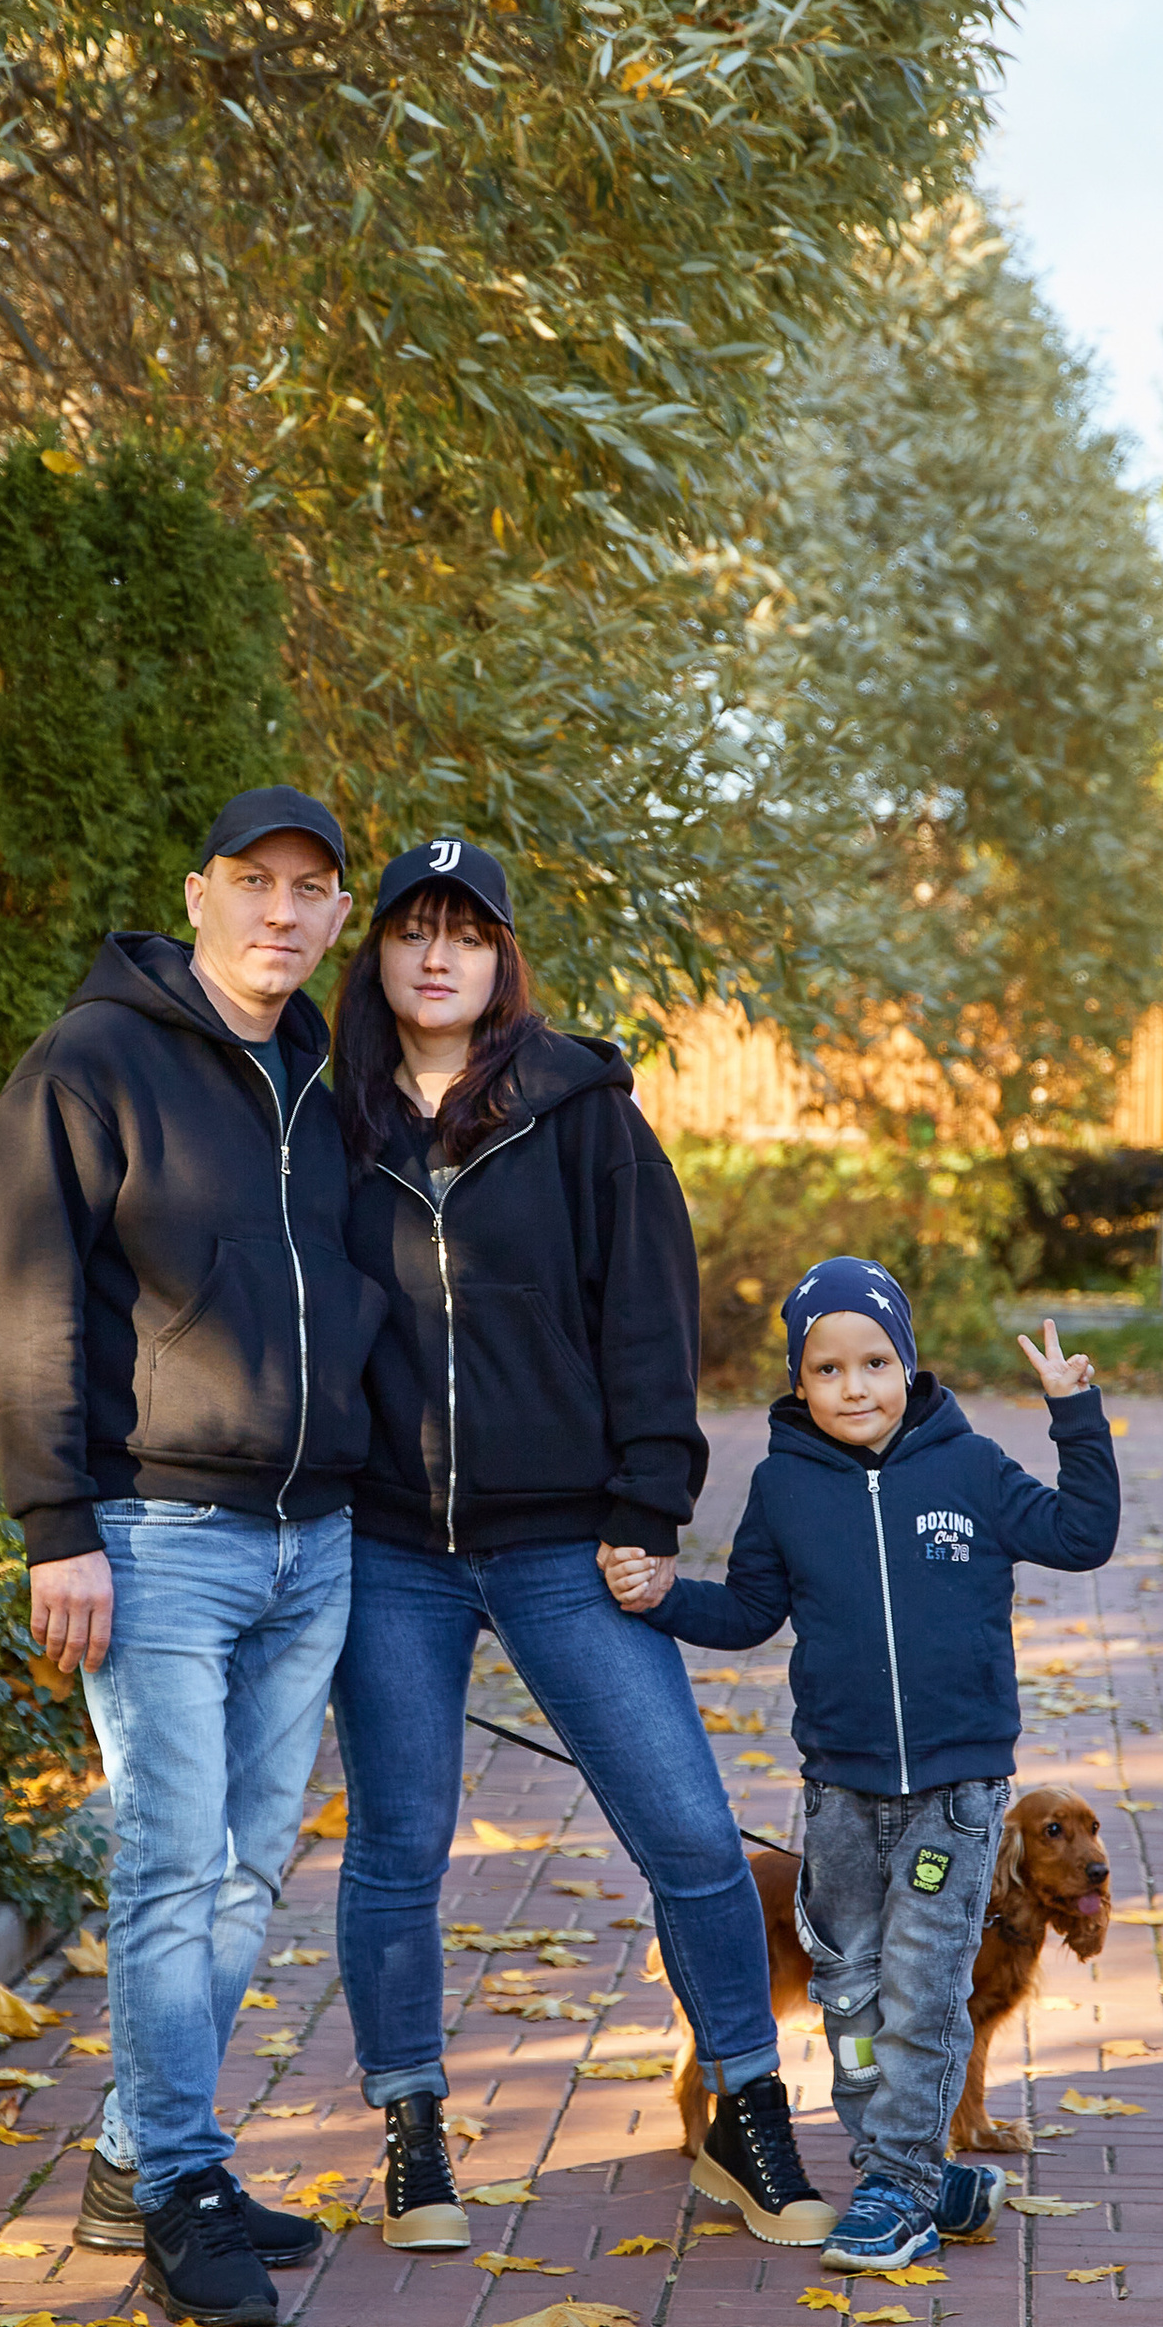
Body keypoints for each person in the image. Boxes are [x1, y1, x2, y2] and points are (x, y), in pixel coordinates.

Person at [327, 840, 835, 2252]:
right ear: (376, 955)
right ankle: (413, 2134)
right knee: (397, 1848)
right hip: (387, 1551)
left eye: (468, 936)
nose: (439, 958)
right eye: (413, 933)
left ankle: (747, 2112)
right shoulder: (329, 1117)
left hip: (566, 1543)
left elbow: (649, 1315)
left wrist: (644, 1508)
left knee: (685, 1828)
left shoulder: (583, 1109)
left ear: (503, 961)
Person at [0, 784, 386, 2327]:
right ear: (200, 893)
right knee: (169, 1866)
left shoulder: (317, 1081)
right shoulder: (92, 1061)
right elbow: (25, 1300)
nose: (283, 914)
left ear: (337, 917)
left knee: (243, 1874)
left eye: (311, 893)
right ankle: (177, 2191)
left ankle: (140, 2154)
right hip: (153, 1537)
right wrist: (55, 1527)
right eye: (255, 884)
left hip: (313, 1535)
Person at [604, 1261, 1120, 2273]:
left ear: (907, 1363)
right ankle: (917, 2169)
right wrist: (661, 1593)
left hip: (952, 1799)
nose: (854, 1385)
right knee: (848, 1992)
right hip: (839, 1795)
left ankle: (895, 2186)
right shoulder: (785, 1485)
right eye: (827, 1366)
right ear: (799, 1379)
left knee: (924, 1985)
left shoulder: (967, 1468)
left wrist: (1076, 1414)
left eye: (874, 1361)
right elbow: (748, 1611)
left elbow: (1082, 1533)